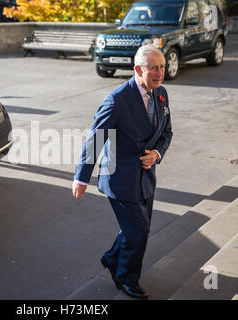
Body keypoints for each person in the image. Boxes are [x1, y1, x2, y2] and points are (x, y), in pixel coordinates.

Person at [72, 44, 173, 299]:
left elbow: (167, 132)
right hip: (120, 177)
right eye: (154, 68)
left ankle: (111, 257)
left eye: (161, 67)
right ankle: (126, 278)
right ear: (138, 69)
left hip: (146, 176)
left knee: (135, 229)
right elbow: (96, 139)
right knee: (138, 232)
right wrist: (81, 177)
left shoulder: (161, 94)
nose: (160, 73)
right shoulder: (117, 99)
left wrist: (157, 154)